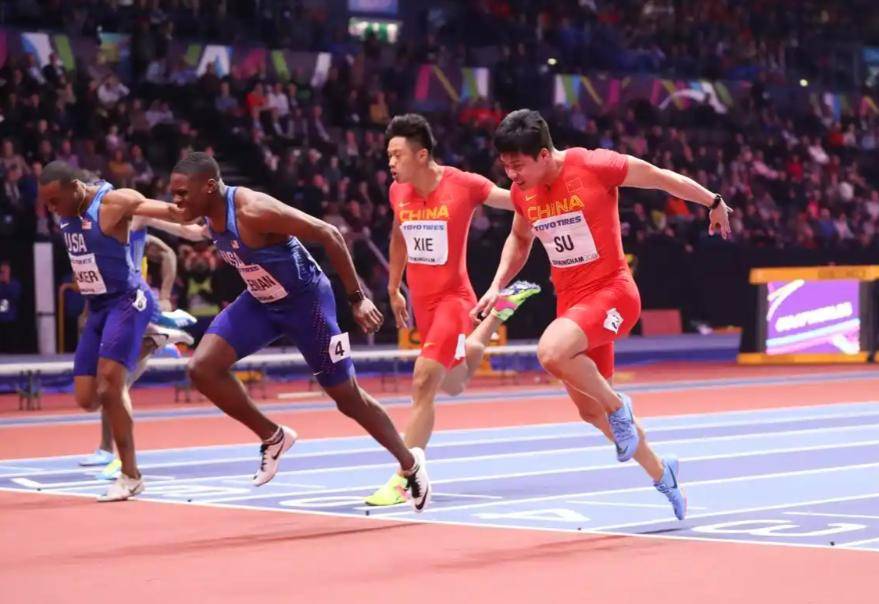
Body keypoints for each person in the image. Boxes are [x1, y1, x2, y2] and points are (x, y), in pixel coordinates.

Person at [475, 110, 733, 520]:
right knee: (589, 411)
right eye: (505, 166)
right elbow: (520, 241)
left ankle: (619, 406)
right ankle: (661, 472)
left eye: (518, 165)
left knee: (552, 352)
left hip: (613, 293)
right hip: (572, 306)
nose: (512, 175)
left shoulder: (594, 165)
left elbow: (658, 177)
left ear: (544, 154)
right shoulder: (524, 193)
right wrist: (496, 285)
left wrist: (713, 201)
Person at [168, 152, 431, 512]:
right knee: (202, 368)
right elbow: (153, 209)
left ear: (209, 187)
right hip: (261, 302)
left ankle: (410, 464)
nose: (177, 201)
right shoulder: (205, 214)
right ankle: (273, 437)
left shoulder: (254, 210)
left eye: (182, 194)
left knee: (347, 397)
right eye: (174, 194)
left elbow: (329, 233)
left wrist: (357, 299)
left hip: (307, 305)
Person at [365, 114, 540, 506]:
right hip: (423, 305)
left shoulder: (463, 184)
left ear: (421, 155)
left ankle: (405, 477)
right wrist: (393, 287)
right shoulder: (398, 191)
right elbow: (398, 236)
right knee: (453, 382)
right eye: (388, 155)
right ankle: (498, 313)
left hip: (454, 300)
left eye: (397, 155)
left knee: (423, 380)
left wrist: (541, 190)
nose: (390, 163)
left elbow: (515, 200)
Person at [38, 161, 189, 501]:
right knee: (87, 399)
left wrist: (205, 205)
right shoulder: (67, 213)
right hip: (98, 308)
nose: (52, 209)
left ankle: (130, 475)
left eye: (55, 200)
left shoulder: (113, 202)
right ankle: (154, 340)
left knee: (110, 386)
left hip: (127, 301)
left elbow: (171, 211)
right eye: (47, 203)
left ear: (76, 188)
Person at [78, 215, 207, 480]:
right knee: (109, 385)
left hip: (135, 307)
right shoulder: (97, 235)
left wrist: (165, 296)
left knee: (115, 385)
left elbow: (169, 251)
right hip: (114, 309)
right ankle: (107, 450)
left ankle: (120, 460)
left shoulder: (135, 226)